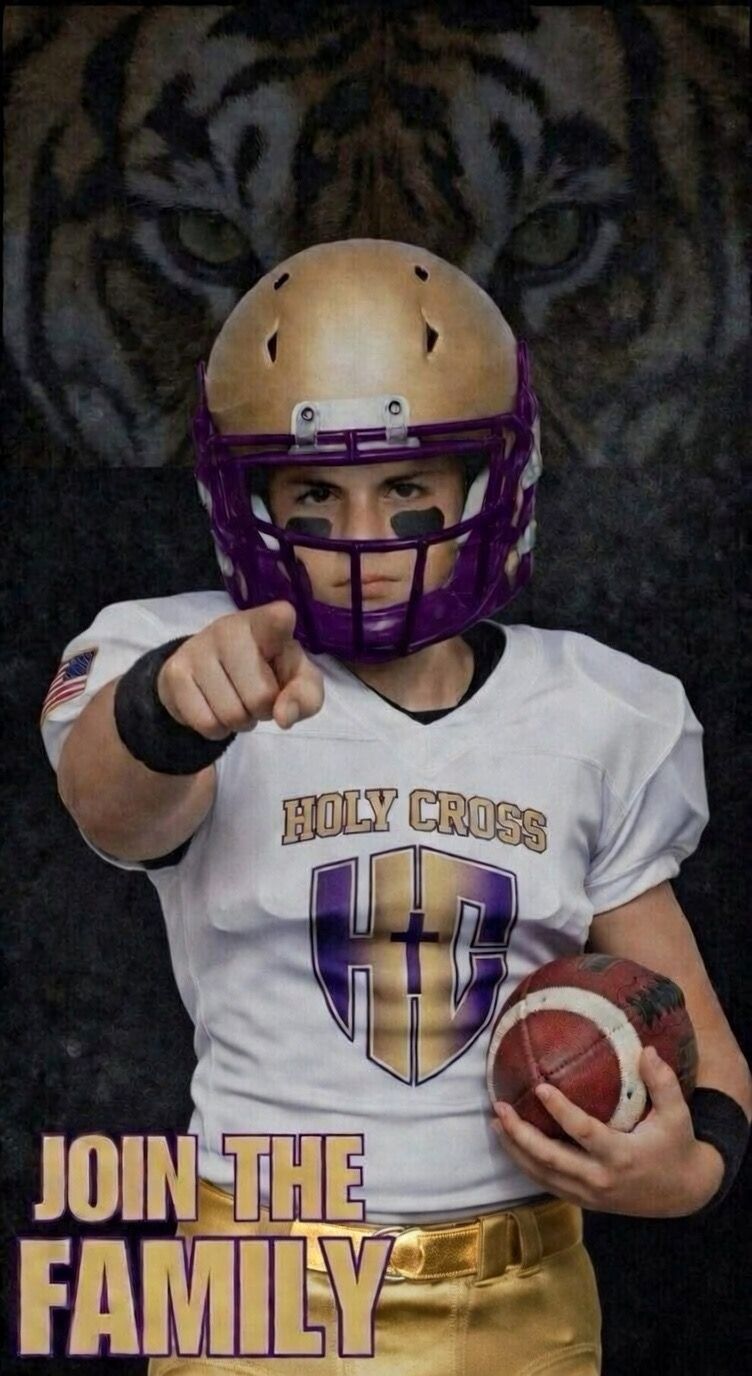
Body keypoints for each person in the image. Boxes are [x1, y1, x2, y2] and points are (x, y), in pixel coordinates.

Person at [41, 239, 750, 1375]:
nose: (363, 544)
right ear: (248, 498)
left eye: (406, 494)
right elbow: (110, 810)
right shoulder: (176, 659)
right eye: (314, 497)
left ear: (486, 485)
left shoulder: (599, 710)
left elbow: (697, 1028)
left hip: (525, 1292)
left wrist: (691, 1165)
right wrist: (174, 703)